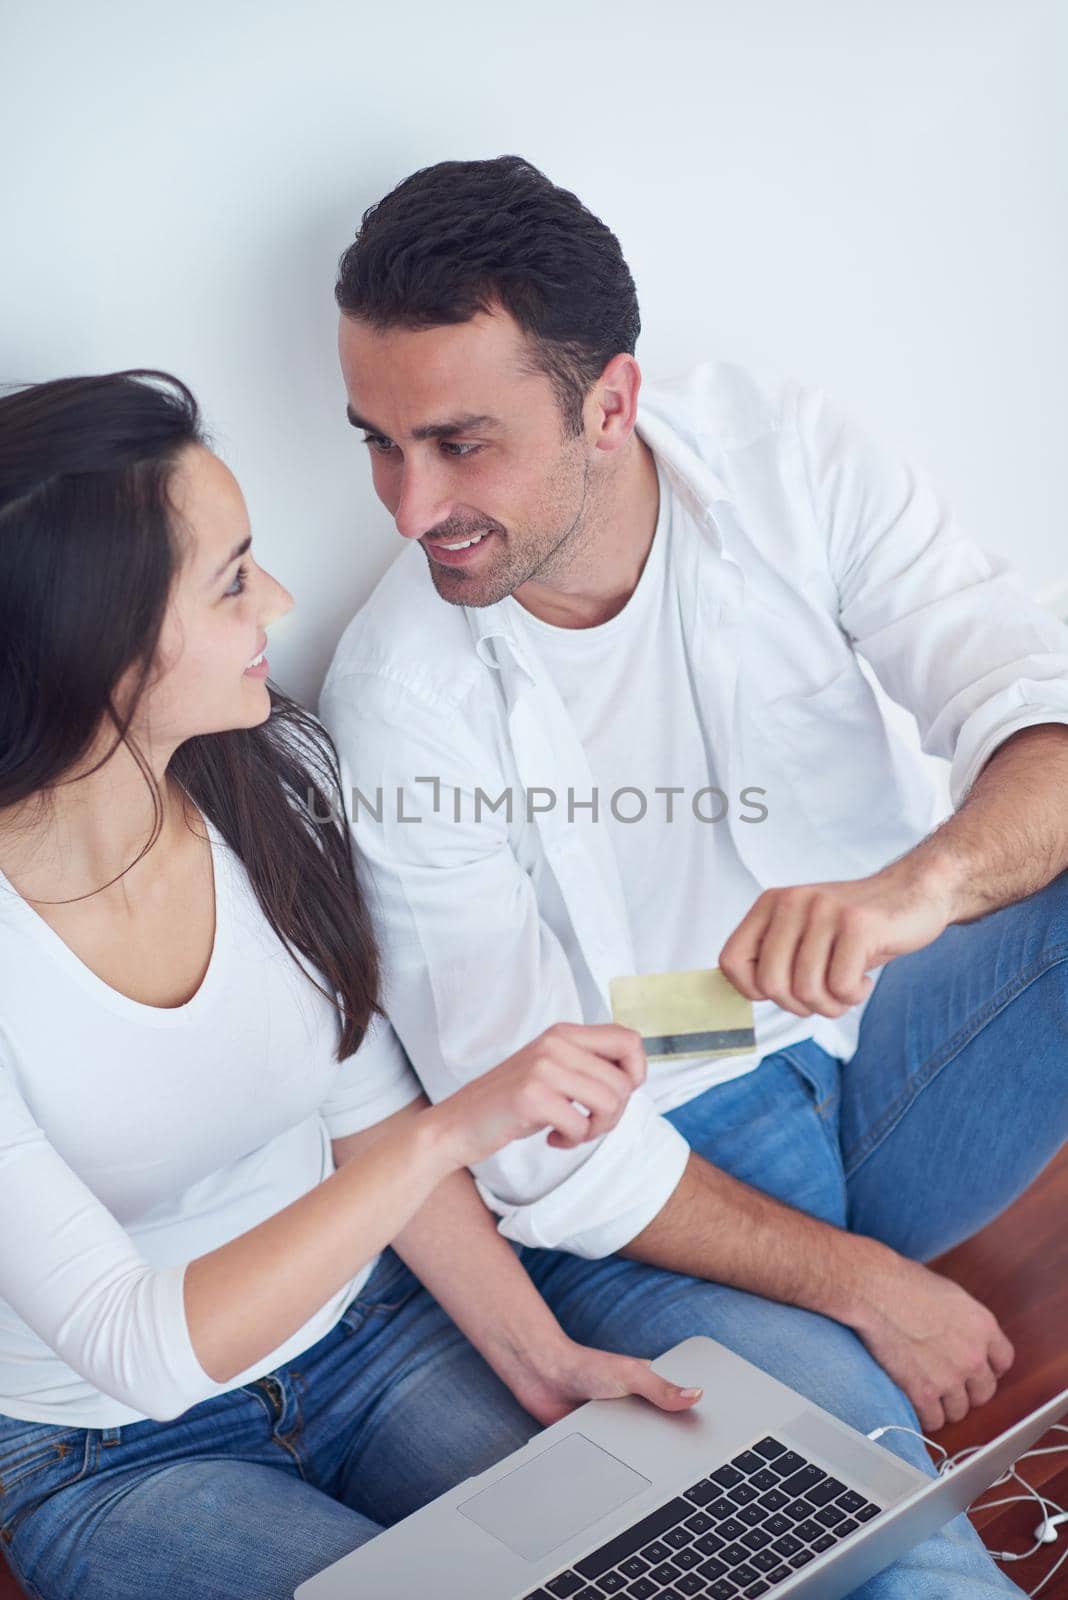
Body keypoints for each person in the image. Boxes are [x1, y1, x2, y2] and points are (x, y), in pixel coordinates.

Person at [320, 154, 1068, 1597]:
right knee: (858, 1541)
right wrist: (869, 1291)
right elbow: (546, 1148)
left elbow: (1034, 705)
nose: (409, 510)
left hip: (864, 1021)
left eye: (462, 444)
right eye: (376, 442)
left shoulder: (783, 452)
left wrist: (917, 891)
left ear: (611, 402)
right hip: (649, 1148)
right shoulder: (399, 691)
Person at [0, 370, 705, 1600]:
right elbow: (137, 1345)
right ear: (91, 644)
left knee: (654, 1570)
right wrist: (451, 1133)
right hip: (103, 1450)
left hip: (369, 1339)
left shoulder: (266, 777)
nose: (277, 599)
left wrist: (540, 1361)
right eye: (230, 581)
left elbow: (362, 1108)